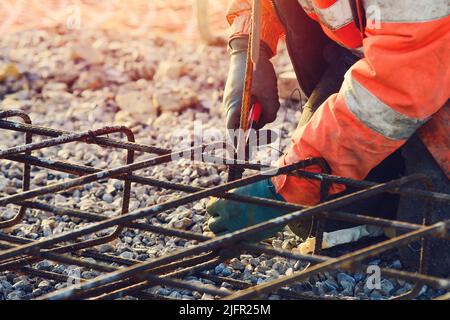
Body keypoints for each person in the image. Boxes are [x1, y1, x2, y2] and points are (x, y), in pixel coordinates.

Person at [206, 0, 449, 274]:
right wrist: (249, 46)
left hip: (421, 67)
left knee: (432, 257)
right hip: (380, 53)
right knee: (313, 219)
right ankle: (394, 181)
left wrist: (286, 187)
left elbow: (397, 87)